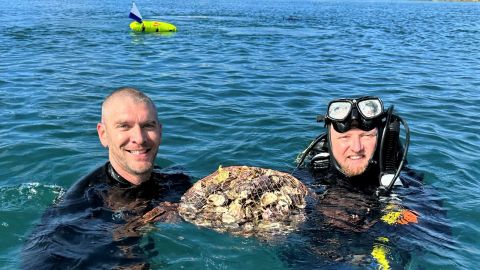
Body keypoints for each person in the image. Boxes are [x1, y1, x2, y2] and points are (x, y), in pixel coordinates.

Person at [22, 87, 191, 269]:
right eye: (124, 126)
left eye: (148, 125)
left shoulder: (177, 181)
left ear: (160, 130)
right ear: (103, 134)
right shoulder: (81, 208)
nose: (139, 138)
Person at [286, 96, 444, 268]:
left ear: (380, 137)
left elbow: (436, 238)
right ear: (330, 140)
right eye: (345, 137)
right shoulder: (307, 179)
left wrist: (381, 223)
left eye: (366, 136)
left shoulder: (404, 183)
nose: (356, 147)